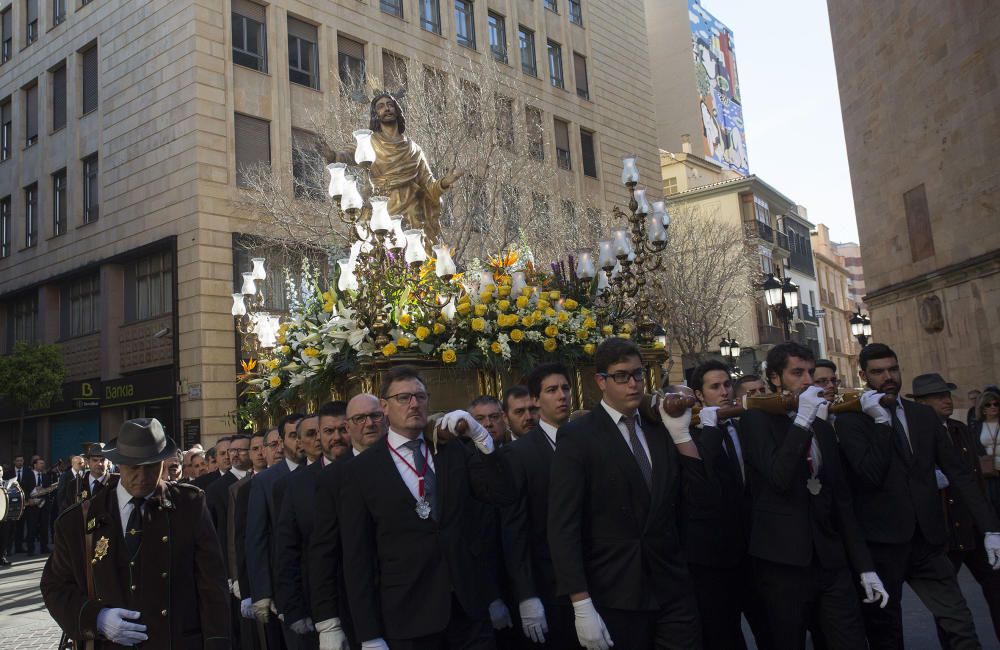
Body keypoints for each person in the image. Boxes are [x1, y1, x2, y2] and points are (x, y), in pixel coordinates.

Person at [836, 343, 1000, 648]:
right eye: (878, 372)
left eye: (893, 369)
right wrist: (881, 423)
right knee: (887, 632)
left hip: (928, 541)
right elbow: (869, 474)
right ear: (863, 375)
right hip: (883, 545)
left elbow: (959, 473)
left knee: (960, 623)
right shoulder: (851, 420)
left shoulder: (922, 415)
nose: (888, 377)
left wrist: (990, 528)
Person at [339, 365, 514, 649]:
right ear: (384, 406)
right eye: (403, 397)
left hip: (467, 612)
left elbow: (502, 494)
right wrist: (369, 634)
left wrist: (481, 437)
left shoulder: (451, 451)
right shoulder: (361, 471)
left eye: (420, 396)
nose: (414, 404)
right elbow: (358, 558)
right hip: (408, 617)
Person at [547, 338, 702, 649]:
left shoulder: (660, 427)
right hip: (615, 592)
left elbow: (699, 497)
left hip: (672, 587)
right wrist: (581, 603)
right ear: (601, 381)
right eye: (622, 376)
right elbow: (563, 526)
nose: (633, 384)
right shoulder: (579, 436)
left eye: (638, 374)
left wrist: (682, 435)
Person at [741, 341, 886, 650]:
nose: (807, 381)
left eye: (810, 372)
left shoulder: (820, 424)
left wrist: (865, 567)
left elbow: (841, 499)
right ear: (776, 378)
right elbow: (779, 477)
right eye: (797, 373)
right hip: (783, 561)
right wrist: (803, 419)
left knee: (849, 639)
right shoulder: (756, 421)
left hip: (830, 558)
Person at [40, 418, 230, 648]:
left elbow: (212, 584)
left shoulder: (188, 505)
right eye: (133, 467)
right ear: (118, 463)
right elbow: (55, 587)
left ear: (164, 461)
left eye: (151, 466)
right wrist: (97, 619)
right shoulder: (78, 520)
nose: (142, 476)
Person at [682, 359, 770, 650]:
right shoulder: (690, 436)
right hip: (713, 560)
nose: (724, 392)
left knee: (771, 630)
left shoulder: (745, 426)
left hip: (753, 552)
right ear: (699, 395)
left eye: (727, 384)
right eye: (715, 387)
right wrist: (711, 430)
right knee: (725, 636)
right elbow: (701, 484)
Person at [909, 373, 1000, 646]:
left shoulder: (960, 429)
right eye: (938, 397)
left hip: (973, 526)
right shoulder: (915, 434)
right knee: (950, 609)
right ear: (922, 403)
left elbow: (974, 481)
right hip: (944, 532)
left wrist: (990, 526)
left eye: (947, 394)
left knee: (996, 591)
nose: (946, 401)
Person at [500, 363, 578, 648]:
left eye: (566, 389)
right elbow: (515, 531)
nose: (562, 396)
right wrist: (526, 595)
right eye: (552, 390)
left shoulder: (588, 439)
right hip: (549, 586)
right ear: (535, 399)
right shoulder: (518, 454)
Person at [325, 93, 464, 243]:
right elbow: (349, 155)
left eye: (390, 105)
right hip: (382, 207)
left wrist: (444, 182)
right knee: (382, 252)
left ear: (397, 110)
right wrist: (333, 156)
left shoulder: (414, 149)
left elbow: (429, 186)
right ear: (375, 114)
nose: (386, 109)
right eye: (381, 106)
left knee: (416, 254)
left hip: (412, 211)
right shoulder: (369, 142)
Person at [310, 394, 387, 650]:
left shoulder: (405, 459)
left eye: (375, 416)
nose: (369, 424)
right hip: (359, 603)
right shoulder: (334, 477)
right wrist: (328, 622)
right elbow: (323, 552)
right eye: (359, 419)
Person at [276, 402, 350, 649]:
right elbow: (287, 550)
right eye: (329, 431)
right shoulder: (296, 484)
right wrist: (294, 609)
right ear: (319, 435)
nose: (336, 437)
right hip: (319, 605)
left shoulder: (367, 469)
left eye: (343, 429)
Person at [247, 413, 304, 634]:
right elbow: (256, 537)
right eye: (293, 435)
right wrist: (261, 592)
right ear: (281, 442)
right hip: (284, 588)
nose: (300, 441)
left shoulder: (323, 472)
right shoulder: (265, 481)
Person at [230, 429, 279, 650]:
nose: (262, 453)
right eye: (256, 448)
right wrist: (246, 586)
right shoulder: (245, 489)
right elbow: (243, 539)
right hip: (266, 581)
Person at [206, 434, 252, 647]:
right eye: (231, 451)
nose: (234, 455)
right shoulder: (217, 488)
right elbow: (215, 533)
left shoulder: (257, 480)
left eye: (241, 450)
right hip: (230, 573)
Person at [974, 390, 1000, 520]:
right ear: (983, 409)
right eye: (988, 405)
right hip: (990, 472)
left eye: (996, 404)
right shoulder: (978, 426)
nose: (993, 407)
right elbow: (976, 448)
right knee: (994, 504)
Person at [21, 456, 52, 555]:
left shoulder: (45, 476)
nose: (43, 465)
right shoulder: (27, 475)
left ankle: (44, 547)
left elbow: (48, 490)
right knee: (32, 527)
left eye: (43, 463)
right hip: (31, 506)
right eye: (40, 463)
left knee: (44, 527)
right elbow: (23, 489)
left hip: (44, 506)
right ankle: (30, 549)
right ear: (35, 465)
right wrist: (28, 499)